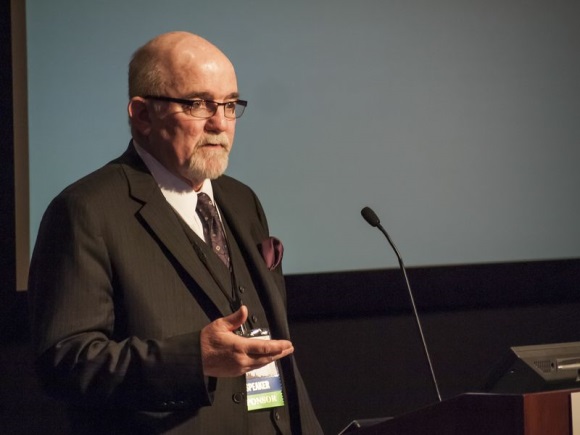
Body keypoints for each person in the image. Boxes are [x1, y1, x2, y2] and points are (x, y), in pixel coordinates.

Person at [28, 31, 323, 434]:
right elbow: (66, 362)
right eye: (198, 104)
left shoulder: (241, 200)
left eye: (230, 104)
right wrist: (193, 360)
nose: (220, 122)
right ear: (142, 114)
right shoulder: (86, 210)